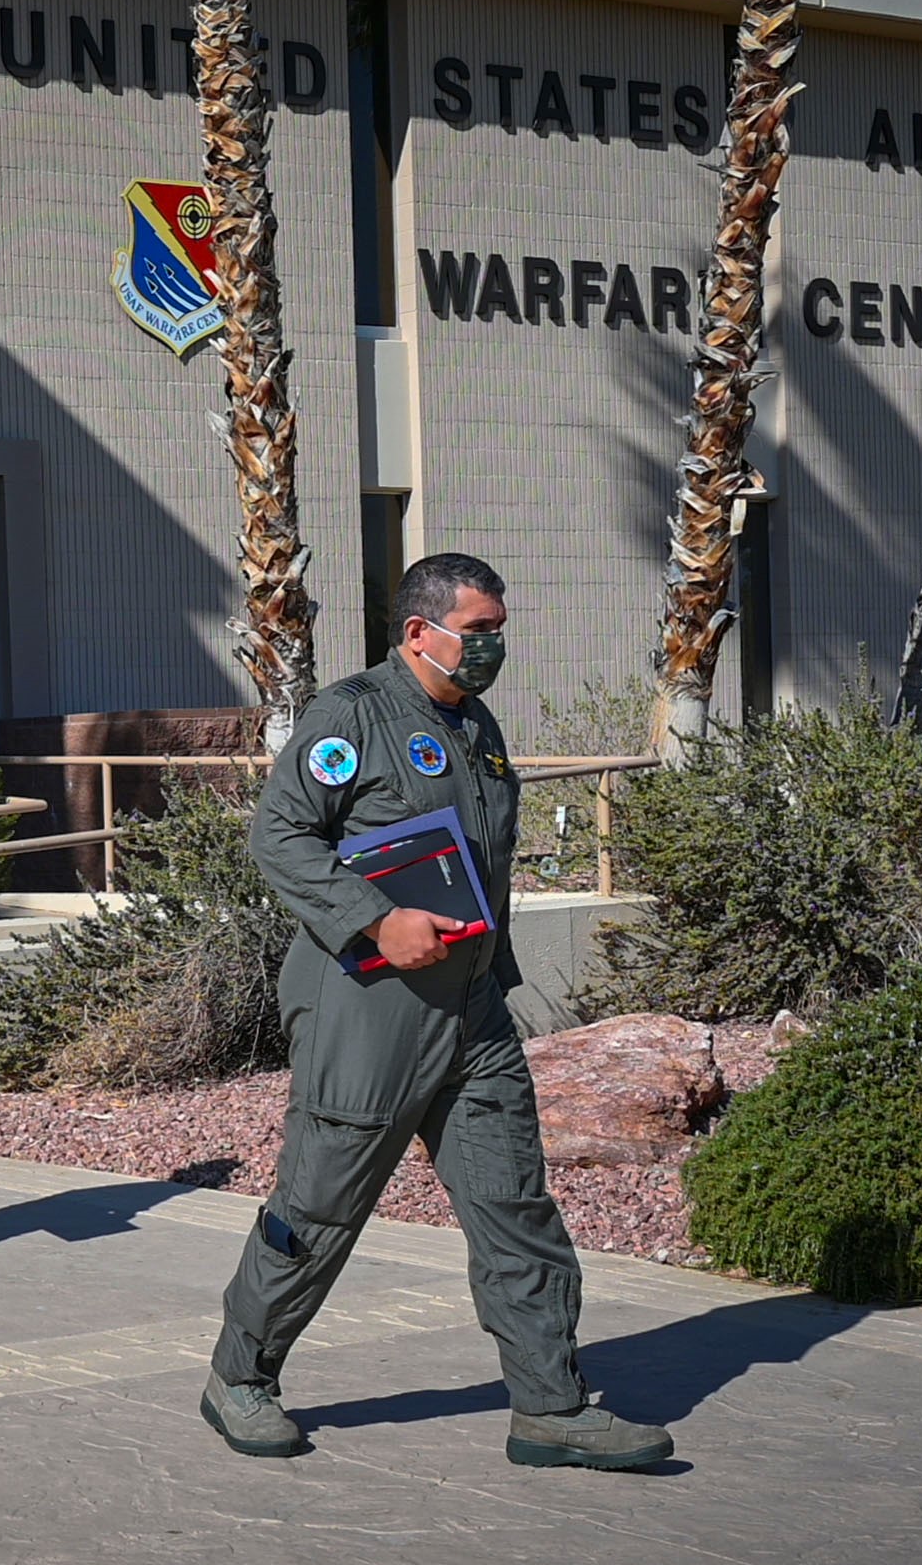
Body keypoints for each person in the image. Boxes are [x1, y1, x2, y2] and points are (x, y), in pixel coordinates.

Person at [200, 553, 673, 1471]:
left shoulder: (476, 725)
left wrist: (492, 979)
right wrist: (376, 921)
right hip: (369, 1007)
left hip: (472, 1013)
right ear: (421, 631)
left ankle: (549, 1405)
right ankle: (241, 1375)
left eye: (500, 627)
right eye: (480, 629)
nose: (496, 643)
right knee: (321, 1206)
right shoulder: (351, 718)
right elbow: (279, 836)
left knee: (515, 1206)